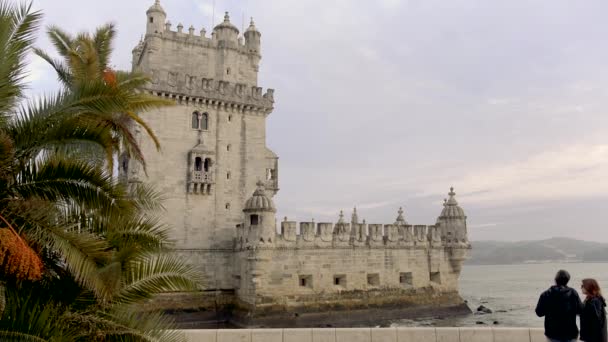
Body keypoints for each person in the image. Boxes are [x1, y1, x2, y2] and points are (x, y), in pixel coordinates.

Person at [535, 270, 583, 342]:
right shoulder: (573, 293)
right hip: (570, 332)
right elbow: (580, 310)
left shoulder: (546, 294)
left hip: (553, 333)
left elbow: (539, 313)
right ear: (567, 280)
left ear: (555, 280)